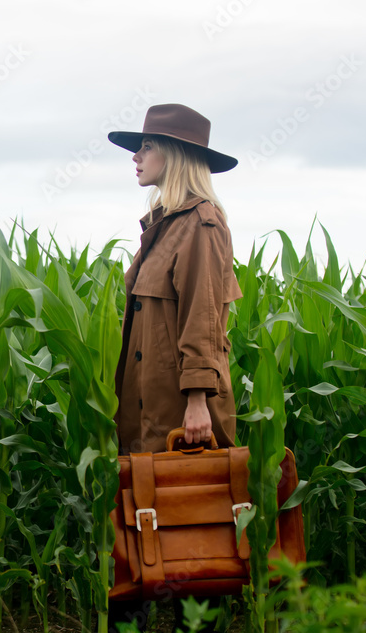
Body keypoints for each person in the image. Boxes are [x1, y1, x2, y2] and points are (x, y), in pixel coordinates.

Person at [107, 103, 243, 632]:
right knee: (134, 555)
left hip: (183, 416)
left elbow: (203, 318)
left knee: (198, 549)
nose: (136, 156)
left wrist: (196, 403)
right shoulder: (161, 226)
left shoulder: (202, 225)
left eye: (147, 146)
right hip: (143, 413)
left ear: (178, 155)